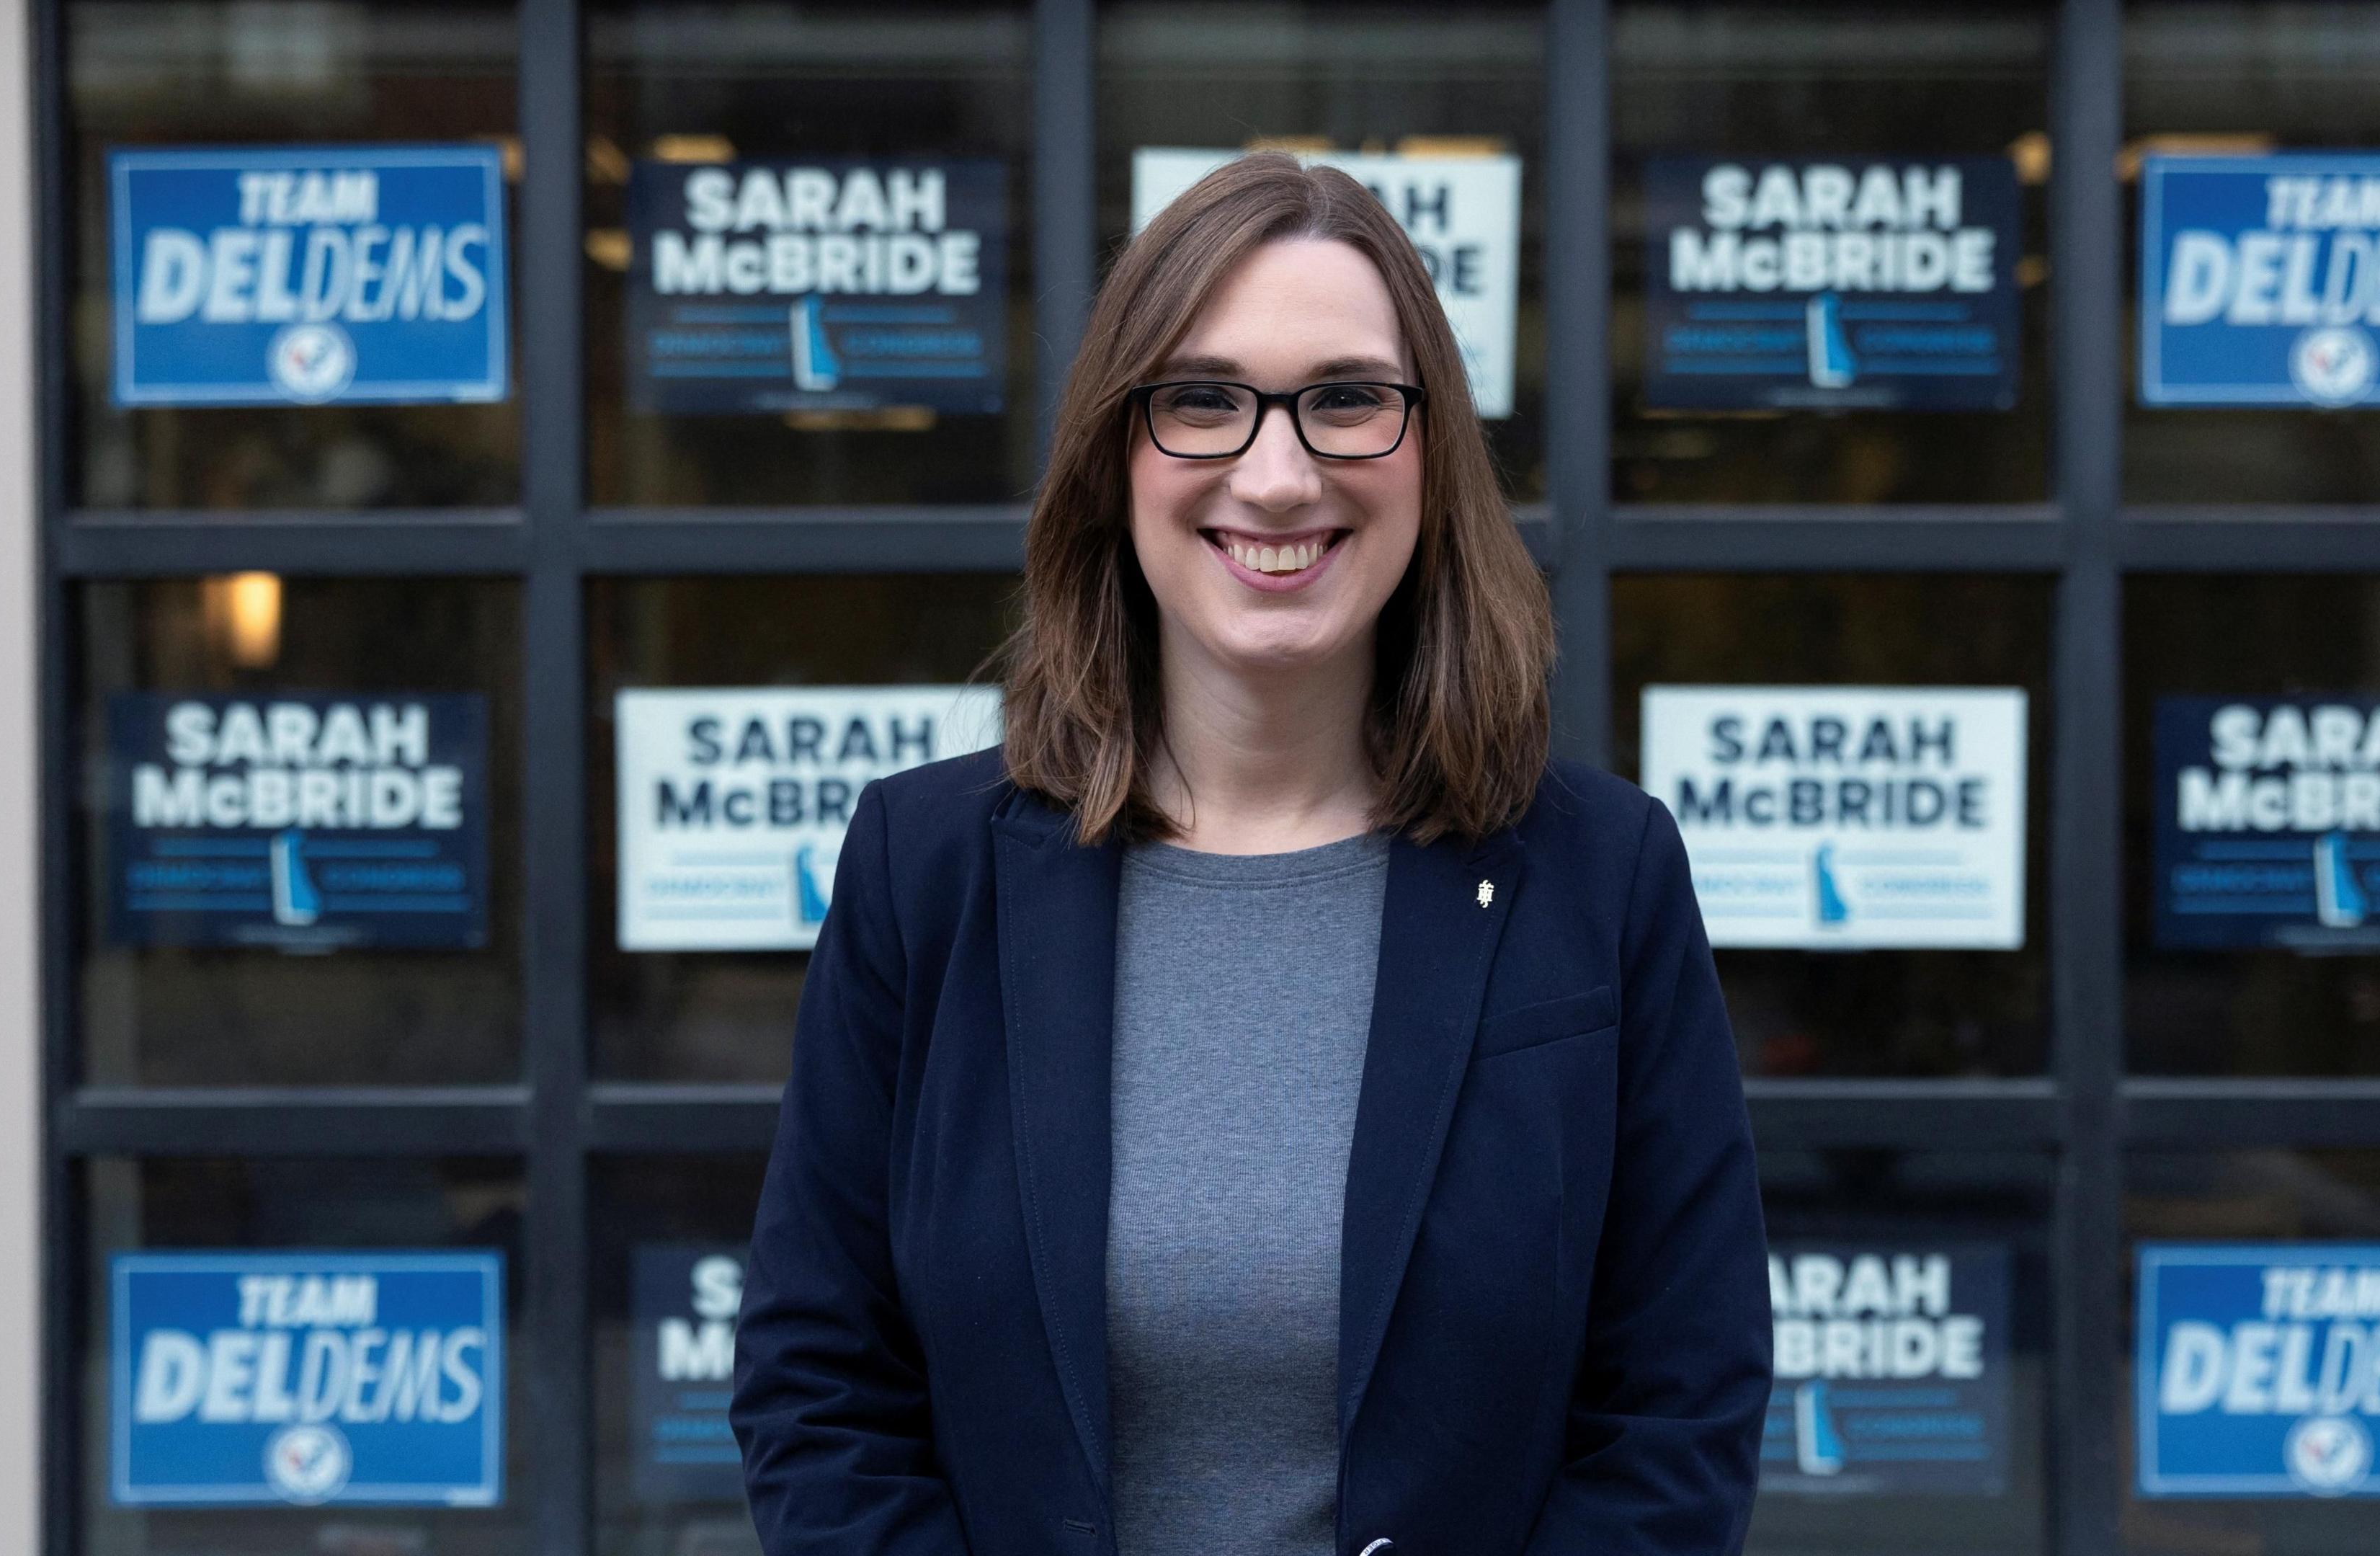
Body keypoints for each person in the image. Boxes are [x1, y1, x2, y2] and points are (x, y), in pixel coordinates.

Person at [731, 152, 1770, 1556]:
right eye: (1202, 401)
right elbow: (820, 1387)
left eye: (1347, 399)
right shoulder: (927, 871)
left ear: (1431, 452)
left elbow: (1678, 1404)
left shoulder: (1599, 878)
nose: (1277, 476)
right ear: (1116, 455)